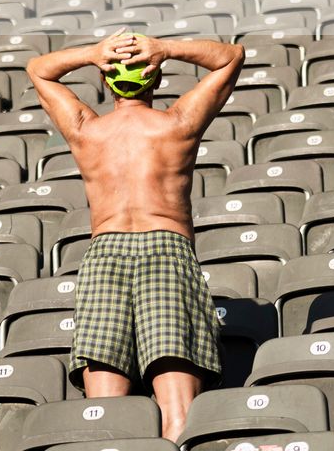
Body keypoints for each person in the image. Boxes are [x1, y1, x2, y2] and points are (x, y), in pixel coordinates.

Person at [26, 30, 244, 444]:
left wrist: (94, 53)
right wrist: (166, 48)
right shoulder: (177, 124)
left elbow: (40, 70)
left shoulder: (87, 129)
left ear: (107, 82)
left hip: (105, 255)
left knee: (107, 414)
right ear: (157, 79)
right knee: (176, 412)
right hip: (165, 249)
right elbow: (231, 57)